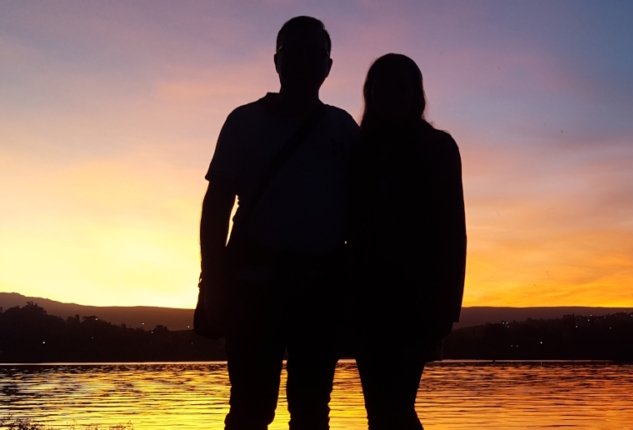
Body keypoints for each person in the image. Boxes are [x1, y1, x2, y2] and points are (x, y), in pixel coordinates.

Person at [199, 16, 360, 429]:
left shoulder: (343, 129)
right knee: (250, 410)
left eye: (314, 54)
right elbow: (215, 206)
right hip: (253, 288)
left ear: (327, 66)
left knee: (311, 413)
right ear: (276, 61)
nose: (304, 63)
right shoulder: (243, 122)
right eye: (294, 53)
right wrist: (211, 282)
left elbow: (362, 213)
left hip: (321, 291)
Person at [346, 53, 467, 430]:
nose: (392, 96)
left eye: (401, 87)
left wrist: (447, 309)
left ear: (416, 94)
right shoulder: (360, 149)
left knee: (391, 408)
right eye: (383, 87)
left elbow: (453, 231)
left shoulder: (438, 148)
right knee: (384, 410)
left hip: (415, 302)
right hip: (366, 299)